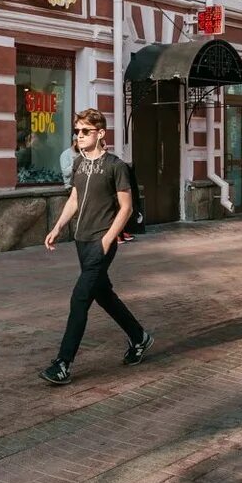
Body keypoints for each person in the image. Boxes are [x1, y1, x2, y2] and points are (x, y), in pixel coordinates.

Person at [39, 109, 151, 386]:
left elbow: (126, 208)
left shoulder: (116, 166)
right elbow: (75, 198)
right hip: (82, 239)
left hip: (102, 240)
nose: (79, 135)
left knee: (79, 298)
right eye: (77, 131)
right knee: (103, 295)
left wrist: (107, 239)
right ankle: (139, 337)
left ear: (100, 133)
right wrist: (58, 227)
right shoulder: (78, 163)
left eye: (85, 131)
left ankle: (63, 363)